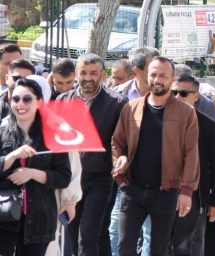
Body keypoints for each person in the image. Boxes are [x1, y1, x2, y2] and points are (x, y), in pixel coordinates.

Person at [111, 56, 200, 256]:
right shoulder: (131, 107)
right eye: (153, 75)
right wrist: (120, 163)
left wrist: (187, 191)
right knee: (125, 245)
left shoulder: (186, 113)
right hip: (132, 189)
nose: (157, 80)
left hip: (166, 192)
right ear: (146, 76)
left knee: (159, 249)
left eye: (163, 75)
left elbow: (191, 152)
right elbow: (118, 142)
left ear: (172, 78)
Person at [57, 53, 127, 256]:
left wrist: (120, 161)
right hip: (70, 179)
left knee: (88, 233)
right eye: (83, 73)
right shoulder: (62, 101)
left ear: (103, 75)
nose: (88, 78)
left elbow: (121, 141)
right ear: (76, 74)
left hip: (101, 178)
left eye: (93, 73)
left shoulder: (117, 103)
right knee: (78, 230)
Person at [0, 78, 71, 255]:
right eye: (15, 99)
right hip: (4, 216)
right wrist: (12, 156)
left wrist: (31, 173)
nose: (20, 104)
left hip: (39, 217)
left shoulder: (53, 134)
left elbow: (63, 176)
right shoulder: (2, 130)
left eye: (27, 99)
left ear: (39, 102)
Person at [169, 74, 215, 256]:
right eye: (174, 92)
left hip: (195, 195)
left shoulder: (207, 125)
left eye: (183, 93)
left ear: (196, 96)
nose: (177, 97)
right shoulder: (160, 120)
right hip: (163, 192)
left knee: (191, 243)